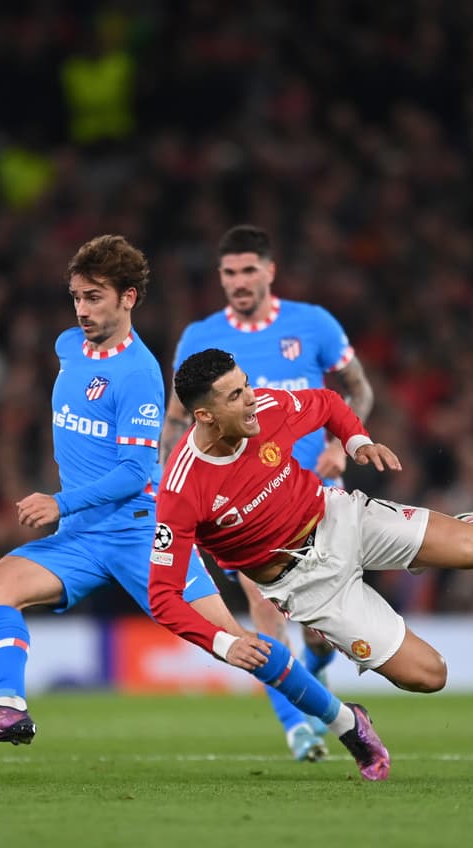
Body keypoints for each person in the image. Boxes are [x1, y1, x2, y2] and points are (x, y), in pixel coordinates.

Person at [0, 236, 388, 782]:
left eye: (95, 298)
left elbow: (137, 473)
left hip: (140, 535)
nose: (82, 310)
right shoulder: (66, 347)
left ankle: (348, 722)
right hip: (82, 539)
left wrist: (58, 502)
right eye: (77, 298)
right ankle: (12, 710)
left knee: (243, 647)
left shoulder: (140, 374)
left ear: (128, 298)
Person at [148, 347, 473, 774]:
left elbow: (329, 404)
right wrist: (226, 643)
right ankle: (346, 695)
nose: (251, 398)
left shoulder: (267, 408)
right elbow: (162, 595)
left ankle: (470, 525)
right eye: (234, 396)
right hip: (305, 585)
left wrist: (357, 441)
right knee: (430, 676)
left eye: (246, 384)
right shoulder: (181, 488)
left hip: (341, 518)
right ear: (205, 415)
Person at [160, 224, 376, 762]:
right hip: (245, 511)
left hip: (318, 495)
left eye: (249, 270)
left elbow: (359, 390)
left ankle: (317, 672)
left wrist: (345, 443)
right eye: (230, 272)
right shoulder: (200, 339)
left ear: (269, 270)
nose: (239, 281)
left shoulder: (315, 324)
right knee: (267, 614)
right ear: (220, 276)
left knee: (323, 635)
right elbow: (174, 419)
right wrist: (165, 484)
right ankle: (298, 729)